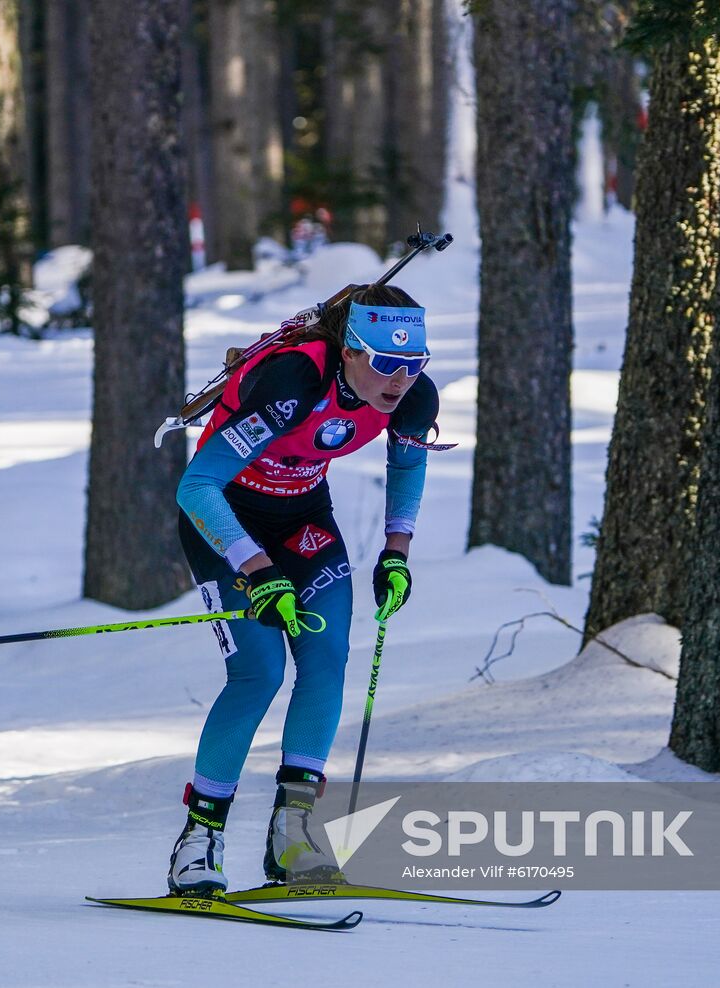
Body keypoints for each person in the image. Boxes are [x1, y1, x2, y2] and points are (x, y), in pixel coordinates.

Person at [168, 282, 440, 895]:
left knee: (325, 661)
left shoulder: (413, 398)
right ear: (348, 351)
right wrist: (257, 570)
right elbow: (196, 486)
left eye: (414, 363)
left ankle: (293, 832)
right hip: (224, 522)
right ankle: (200, 838)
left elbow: (408, 468)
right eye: (386, 363)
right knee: (259, 672)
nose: (401, 379)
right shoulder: (292, 381)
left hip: (303, 519)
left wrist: (396, 555)